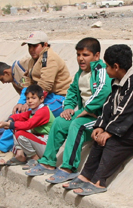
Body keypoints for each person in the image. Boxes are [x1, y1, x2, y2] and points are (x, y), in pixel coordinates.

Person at [67, 44, 133, 196]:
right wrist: (100, 126)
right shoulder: (116, 81)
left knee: (111, 141)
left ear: (116, 67)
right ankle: (85, 175)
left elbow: (126, 111)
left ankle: (99, 181)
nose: (105, 69)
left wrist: (109, 131)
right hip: (126, 123)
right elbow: (108, 106)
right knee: (99, 139)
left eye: (107, 66)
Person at [26, 37, 112, 183]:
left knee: (77, 125)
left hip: (99, 117)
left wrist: (87, 110)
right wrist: (68, 108)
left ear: (96, 56)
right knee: (59, 121)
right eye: (78, 55)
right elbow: (72, 91)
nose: (81, 59)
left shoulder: (100, 70)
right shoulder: (81, 73)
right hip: (85, 112)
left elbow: (103, 91)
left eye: (85, 55)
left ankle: (69, 168)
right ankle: (48, 161)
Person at [0, 84, 55, 166]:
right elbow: (18, 116)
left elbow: (28, 124)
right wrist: (10, 120)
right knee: (16, 127)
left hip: (47, 145)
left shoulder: (43, 111)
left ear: (41, 99)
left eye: (33, 98)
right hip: (40, 142)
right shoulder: (33, 111)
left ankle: (35, 158)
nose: (30, 101)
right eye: (28, 98)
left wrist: (10, 125)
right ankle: (20, 155)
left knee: (20, 132)